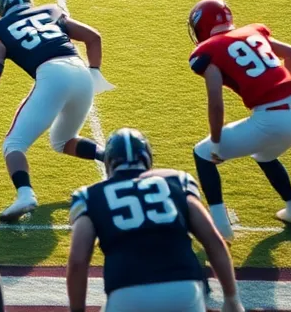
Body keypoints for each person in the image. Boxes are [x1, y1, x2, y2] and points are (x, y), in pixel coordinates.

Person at [0, 0, 115, 222]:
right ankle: (110, 156)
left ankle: (25, 195)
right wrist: (94, 72)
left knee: (14, 144)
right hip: (81, 72)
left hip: (52, 74)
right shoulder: (50, 12)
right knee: (62, 141)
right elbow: (93, 37)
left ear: (1, 8)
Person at [67, 128, 244, 312]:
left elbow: (78, 261)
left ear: (108, 162)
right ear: (147, 158)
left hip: (127, 292)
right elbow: (213, 240)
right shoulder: (178, 182)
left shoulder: (89, 196)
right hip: (183, 288)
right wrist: (232, 298)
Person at [187, 0, 291, 240]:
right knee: (265, 155)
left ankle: (220, 228)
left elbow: (215, 102)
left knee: (203, 153)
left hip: (273, 119)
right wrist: (282, 88)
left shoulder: (208, 51)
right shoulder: (253, 32)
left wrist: (216, 142)